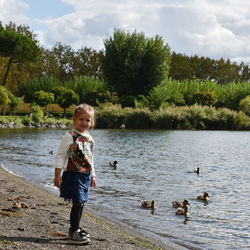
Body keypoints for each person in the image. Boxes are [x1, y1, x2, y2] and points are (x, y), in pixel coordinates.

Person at [54, 103, 96, 244]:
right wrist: (57, 175)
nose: (84, 123)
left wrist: (93, 175)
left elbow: (90, 158)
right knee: (77, 202)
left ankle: (74, 229)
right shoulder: (70, 136)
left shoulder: (90, 139)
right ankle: (75, 230)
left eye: (87, 120)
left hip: (85, 175)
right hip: (73, 174)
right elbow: (60, 155)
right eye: (81, 119)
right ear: (75, 119)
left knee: (81, 202)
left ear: (92, 122)